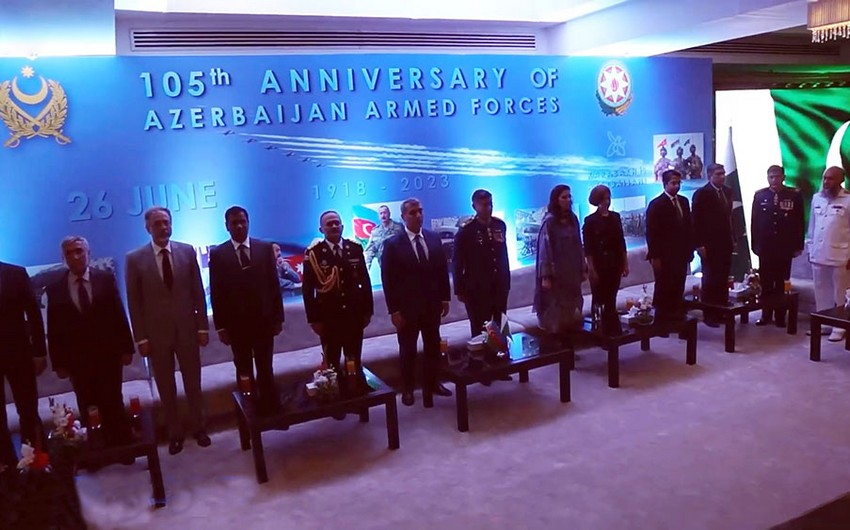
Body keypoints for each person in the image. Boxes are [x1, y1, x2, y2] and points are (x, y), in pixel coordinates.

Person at [126, 206, 210, 455]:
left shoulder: (187, 251)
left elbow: (197, 292)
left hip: (187, 330)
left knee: (193, 382)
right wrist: (141, 338)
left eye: (166, 222)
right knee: (166, 386)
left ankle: (199, 427)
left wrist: (202, 327)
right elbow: (134, 302)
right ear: (147, 228)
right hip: (156, 335)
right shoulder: (135, 259)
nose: (163, 227)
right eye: (157, 224)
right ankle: (175, 433)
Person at [46, 236, 134, 447]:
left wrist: (127, 348)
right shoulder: (55, 288)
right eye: (69, 253)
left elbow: (118, 314)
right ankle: (96, 449)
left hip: (108, 355)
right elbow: (54, 327)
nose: (75, 256)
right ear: (63, 257)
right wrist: (58, 363)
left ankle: (122, 446)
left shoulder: (105, 279)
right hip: (77, 361)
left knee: (113, 400)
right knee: (87, 403)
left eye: (79, 251)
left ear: (88, 253)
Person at [210, 206, 284, 414]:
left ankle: (271, 411)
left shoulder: (264, 248)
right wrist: (221, 327)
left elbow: (273, 285)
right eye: (234, 223)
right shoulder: (218, 254)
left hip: (264, 321)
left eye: (243, 221)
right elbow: (217, 293)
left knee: (265, 367)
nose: (240, 226)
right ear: (227, 226)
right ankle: (249, 413)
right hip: (236, 326)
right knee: (243, 371)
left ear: (248, 222)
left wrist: (278, 318)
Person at [381, 198, 452, 407]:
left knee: (432, 347)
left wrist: (445, 298)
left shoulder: (433, 238)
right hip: (407, 309)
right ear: (403, 216)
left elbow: (442, 271)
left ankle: (433, 383)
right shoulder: (393, 244)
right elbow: (388, 280)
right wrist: (394, 310)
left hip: (432, 306)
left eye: (420, 211)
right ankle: (408, 389)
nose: (418, 215)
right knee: (408, 350)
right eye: (413, 212)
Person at [302, 211, 373, 378]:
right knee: (331, 366)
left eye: (336, 223)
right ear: (321, 229)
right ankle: (337, 393)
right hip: (329, 319)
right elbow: (308, 290)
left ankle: (356, 391)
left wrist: (368, 311)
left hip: (354, 316)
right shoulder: (314, 253)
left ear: (343, 226)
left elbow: (365, 282)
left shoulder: (355, 249)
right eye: (329, 224)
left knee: (354, 361)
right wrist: (314, 320)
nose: (334, 226)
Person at [0, 261, 46, 470]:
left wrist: (39, 351)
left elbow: (34, 314)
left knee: (28, 411)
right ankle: (7, 467)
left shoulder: (15, 274)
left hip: (18, 352)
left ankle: (37, 463)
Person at [751, 165, 804, 327]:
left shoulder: (794, 195)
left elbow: (799, 222)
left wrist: (798, 245)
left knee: (781, 283)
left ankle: (780, 316)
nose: (774, 180)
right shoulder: (760, 195)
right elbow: (755, 222)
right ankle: (766, 314)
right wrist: (755, 245)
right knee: (766, 282)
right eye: (771, 177)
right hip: (766, 247)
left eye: (777, 176)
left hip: (784, 246)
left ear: (783, 177)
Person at [452, 189, 510, 337]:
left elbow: (503, 255)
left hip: (499, 286)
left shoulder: (499, 225)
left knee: (501, 327)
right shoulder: (466, 231)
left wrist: (506, 281)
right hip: (477, 289)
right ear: (474, 206)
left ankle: (502, 351)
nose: (488, 208)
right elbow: (457, 262)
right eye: (483, 205)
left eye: (490, 204)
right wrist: (459, 289)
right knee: (481, 331)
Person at [533, 184, 586, 335]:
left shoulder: (572, 219)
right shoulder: (549, 222)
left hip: (572, 274)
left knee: (572, 313)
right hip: (556, 277)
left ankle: (570, 345)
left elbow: (578, 244)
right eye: (564, 197)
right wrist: (546, 277)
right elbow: (545, 250)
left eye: (569, 196)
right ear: (556, 200)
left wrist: (583, 268)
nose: (568, 200)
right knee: (556, 314)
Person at [646, 169, 695, 322]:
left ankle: (677, 317)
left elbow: (689, 227)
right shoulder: (656, 204)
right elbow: (652, 233)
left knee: (679, 285)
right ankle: (662, 321)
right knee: (664, 287)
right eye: (673, 183)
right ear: (665, 184)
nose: (676, 186)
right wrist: (655, 256)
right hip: (664, 256)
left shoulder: (684, 201)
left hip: (681, 254)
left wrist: (690, 250)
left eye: (679, 183)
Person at [807, 166, 850, 342]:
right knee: (821, 290)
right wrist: (810, 249)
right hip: (818, 254)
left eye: (831, 179)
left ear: (841, 180)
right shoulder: (817, 198)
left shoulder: (848, 200)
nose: (826, 182)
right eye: (825, 178)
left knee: (840, 293)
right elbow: (812, 227)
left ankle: (840, 326)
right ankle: (823, 323)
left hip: (841, 256)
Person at [692, 163, 735, 327]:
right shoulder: (702, 194)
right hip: (708, 245)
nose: (722, 177)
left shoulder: (727, 192)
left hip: (725, 243)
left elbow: (729, 218)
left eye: (723, 173)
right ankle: (709, 314)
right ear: (710, 176)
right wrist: (699, 244)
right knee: (710, 279)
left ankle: (721, 310)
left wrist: (733, 239)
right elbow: (696, 221)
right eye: (718, 174)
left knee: (723, 278)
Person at [583, 185, 629, 335]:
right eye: (603, 199)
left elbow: (621, 242)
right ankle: (599, 330)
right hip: (599, 264)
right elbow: (588, 248)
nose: (607, 202)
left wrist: (625, 263)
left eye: (608, 198)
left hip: (614, 263)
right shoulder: (590, 221)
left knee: (611, 297)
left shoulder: (615, 217)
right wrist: (591, 269)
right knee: (599, 298)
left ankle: (613, 330)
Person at [364, 205, 404, 270]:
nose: (383, 215)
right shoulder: (375, 231)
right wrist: (367, 264)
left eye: (385, 213)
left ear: (389, 214)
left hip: (399, 265)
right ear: (378, 216)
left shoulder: (399, 228)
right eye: (381, 213)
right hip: (384, 267)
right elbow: (370, 249)